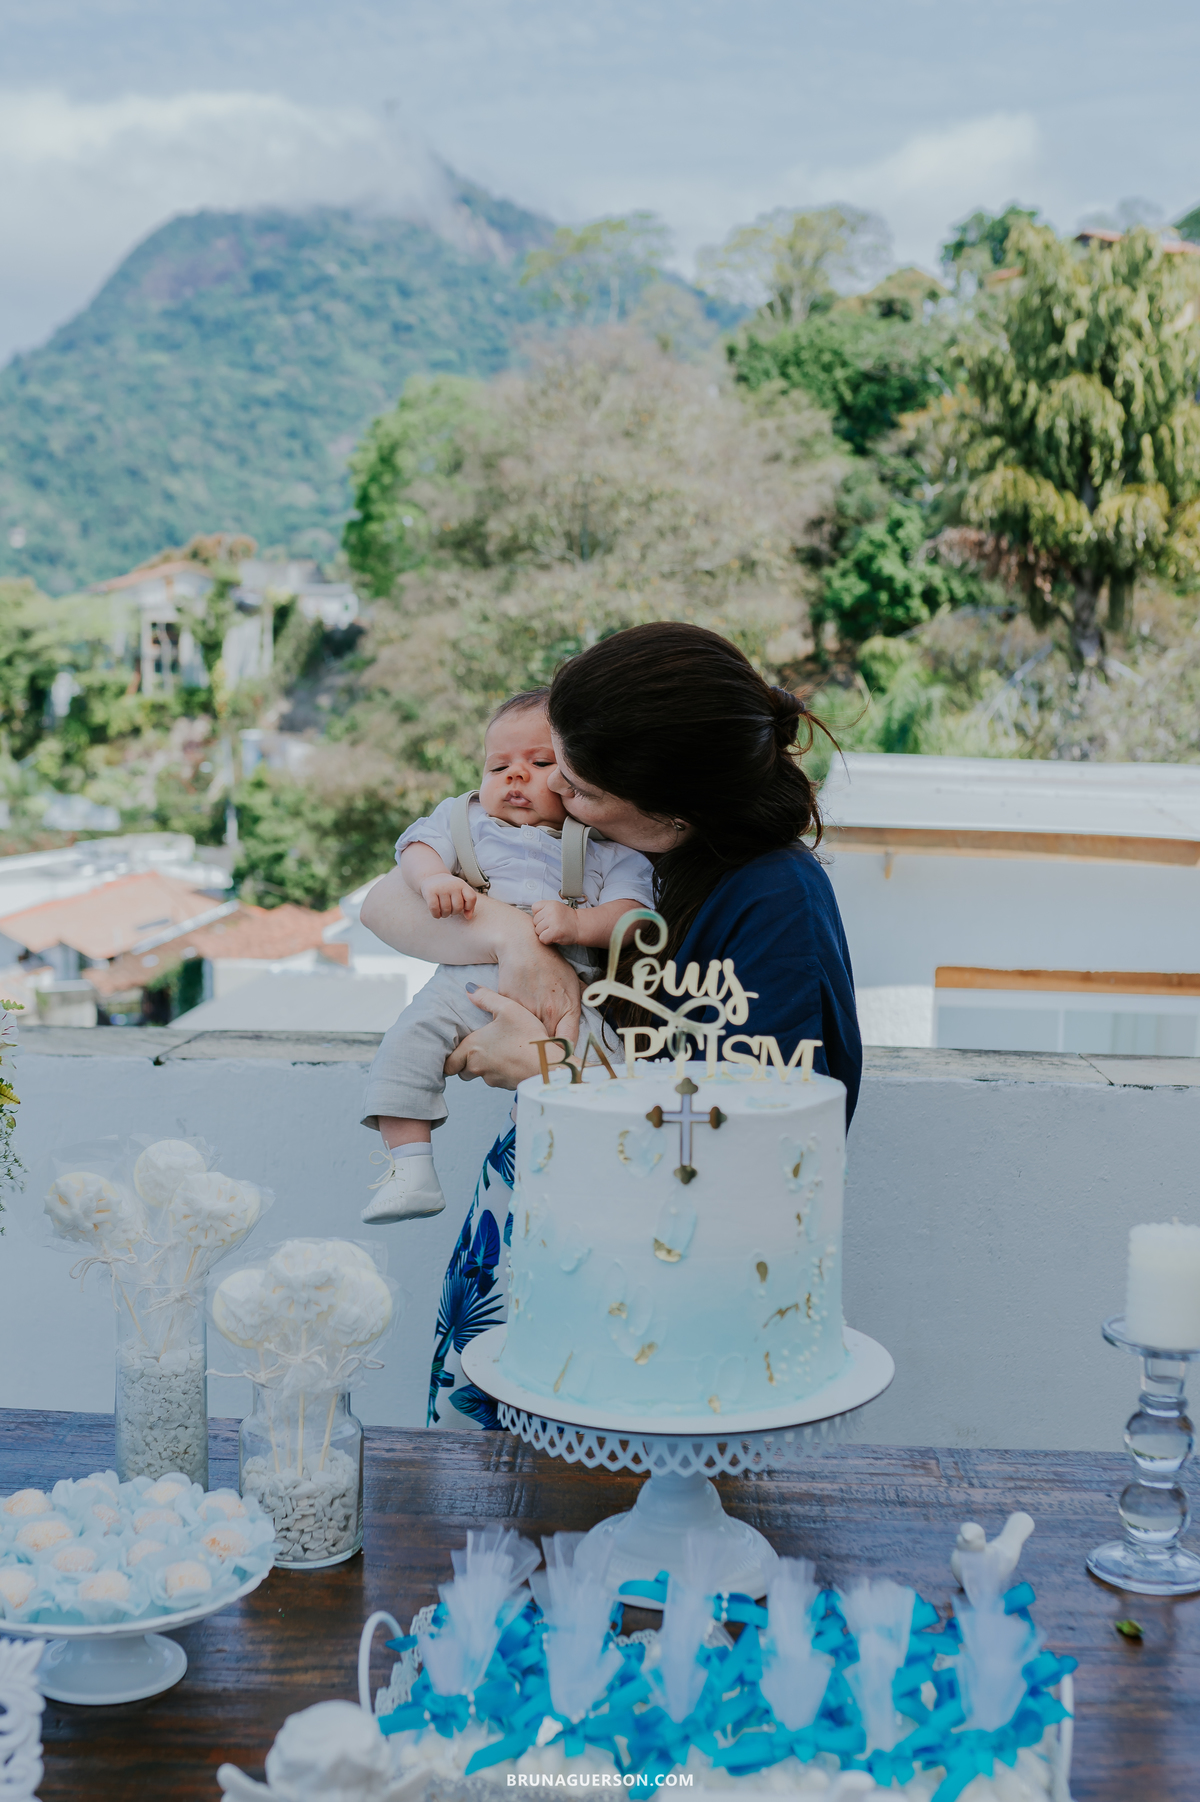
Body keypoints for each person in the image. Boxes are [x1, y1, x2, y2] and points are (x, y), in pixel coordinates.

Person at [359, 622, 862, 1426]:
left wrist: (551, 1066)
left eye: (579, 788)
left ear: (672, 804)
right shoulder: (629, 846)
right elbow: (386, 902)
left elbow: (755, 1156)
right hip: (545, 1221)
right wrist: (511, 939)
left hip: (653, 1292)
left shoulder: (775, 909)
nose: (555, 795)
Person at [360, 687, 653, 1224]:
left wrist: (581, 922)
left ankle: (550, 1158)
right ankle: (410, 1167)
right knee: (406, 1044)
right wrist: (433, 880)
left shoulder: (604, 846)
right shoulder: (463, 821)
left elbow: (635, 914)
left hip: (570, 993)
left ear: (576, 777)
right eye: (499, 766)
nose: (515, 776)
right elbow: (414, 849)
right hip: (465, 983)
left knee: (601, 1065)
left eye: (539, 763)